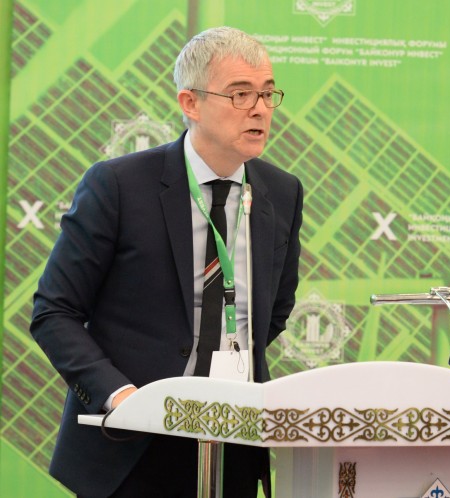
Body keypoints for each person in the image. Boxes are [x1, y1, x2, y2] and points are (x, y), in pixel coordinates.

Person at [30, 26, 303, 498]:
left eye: (266, 93)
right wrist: (120, 396)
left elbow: (274, 311)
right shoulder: (118, 186)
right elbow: (55, 312)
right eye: (240, 94)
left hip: (234, 442)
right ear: (190, 103)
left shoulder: (282, 191)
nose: (260, 108)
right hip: (132, 444)